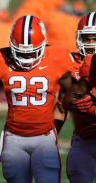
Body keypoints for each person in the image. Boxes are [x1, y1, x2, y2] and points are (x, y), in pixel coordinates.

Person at [0, 15, 73, 183]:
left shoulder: (57, 56)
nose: (26, 58)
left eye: (32, 52)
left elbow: (69, 90)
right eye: (20, 52)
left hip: (44, 137)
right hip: (14, 137)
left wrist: (58, 117)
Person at [63, 12, 96, 183]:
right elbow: (64, 102)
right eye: (86, 38)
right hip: (82, 138)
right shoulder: (69, 61)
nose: (90, 44)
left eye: (94, 38)